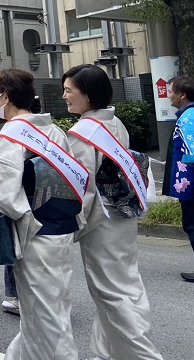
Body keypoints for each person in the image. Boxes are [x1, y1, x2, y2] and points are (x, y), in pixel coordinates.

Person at [0, 69, 86, 360]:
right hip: (61, 228)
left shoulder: (11, 134)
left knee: (47, 318)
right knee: (49, 309)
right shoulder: (52, 130)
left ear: (6, 97)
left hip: (34, 233)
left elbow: (8, 196)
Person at [62, 64, 162, 360]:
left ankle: (144, 355)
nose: (64, 96)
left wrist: (73, 228)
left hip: (100, 222)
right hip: (122, 215)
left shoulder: (82, 133)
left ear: (88, 95)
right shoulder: (115, 122)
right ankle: (104, 353)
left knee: (112, 293)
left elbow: (83, 188)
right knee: (125, 284)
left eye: (69, 90)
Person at [166, 76, 194, 282]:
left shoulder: (187, 117)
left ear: (182, 95)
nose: (169, 96)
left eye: (171, 91)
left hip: (192, 184)